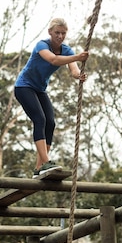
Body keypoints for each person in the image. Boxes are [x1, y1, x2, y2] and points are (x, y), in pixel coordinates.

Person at [14, 17, 89, 178]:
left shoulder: (67, 50)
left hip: (40, 89)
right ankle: (46, 162)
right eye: (57, 33)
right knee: (40, 119)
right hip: (24, 87)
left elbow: (74, 71)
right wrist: (77, 57)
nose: (60, 36)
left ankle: (39, 167)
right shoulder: (42, 45)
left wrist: (79, 76)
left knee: (51, 122)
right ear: (50, 32)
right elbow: (53, 60)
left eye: (63, 33)